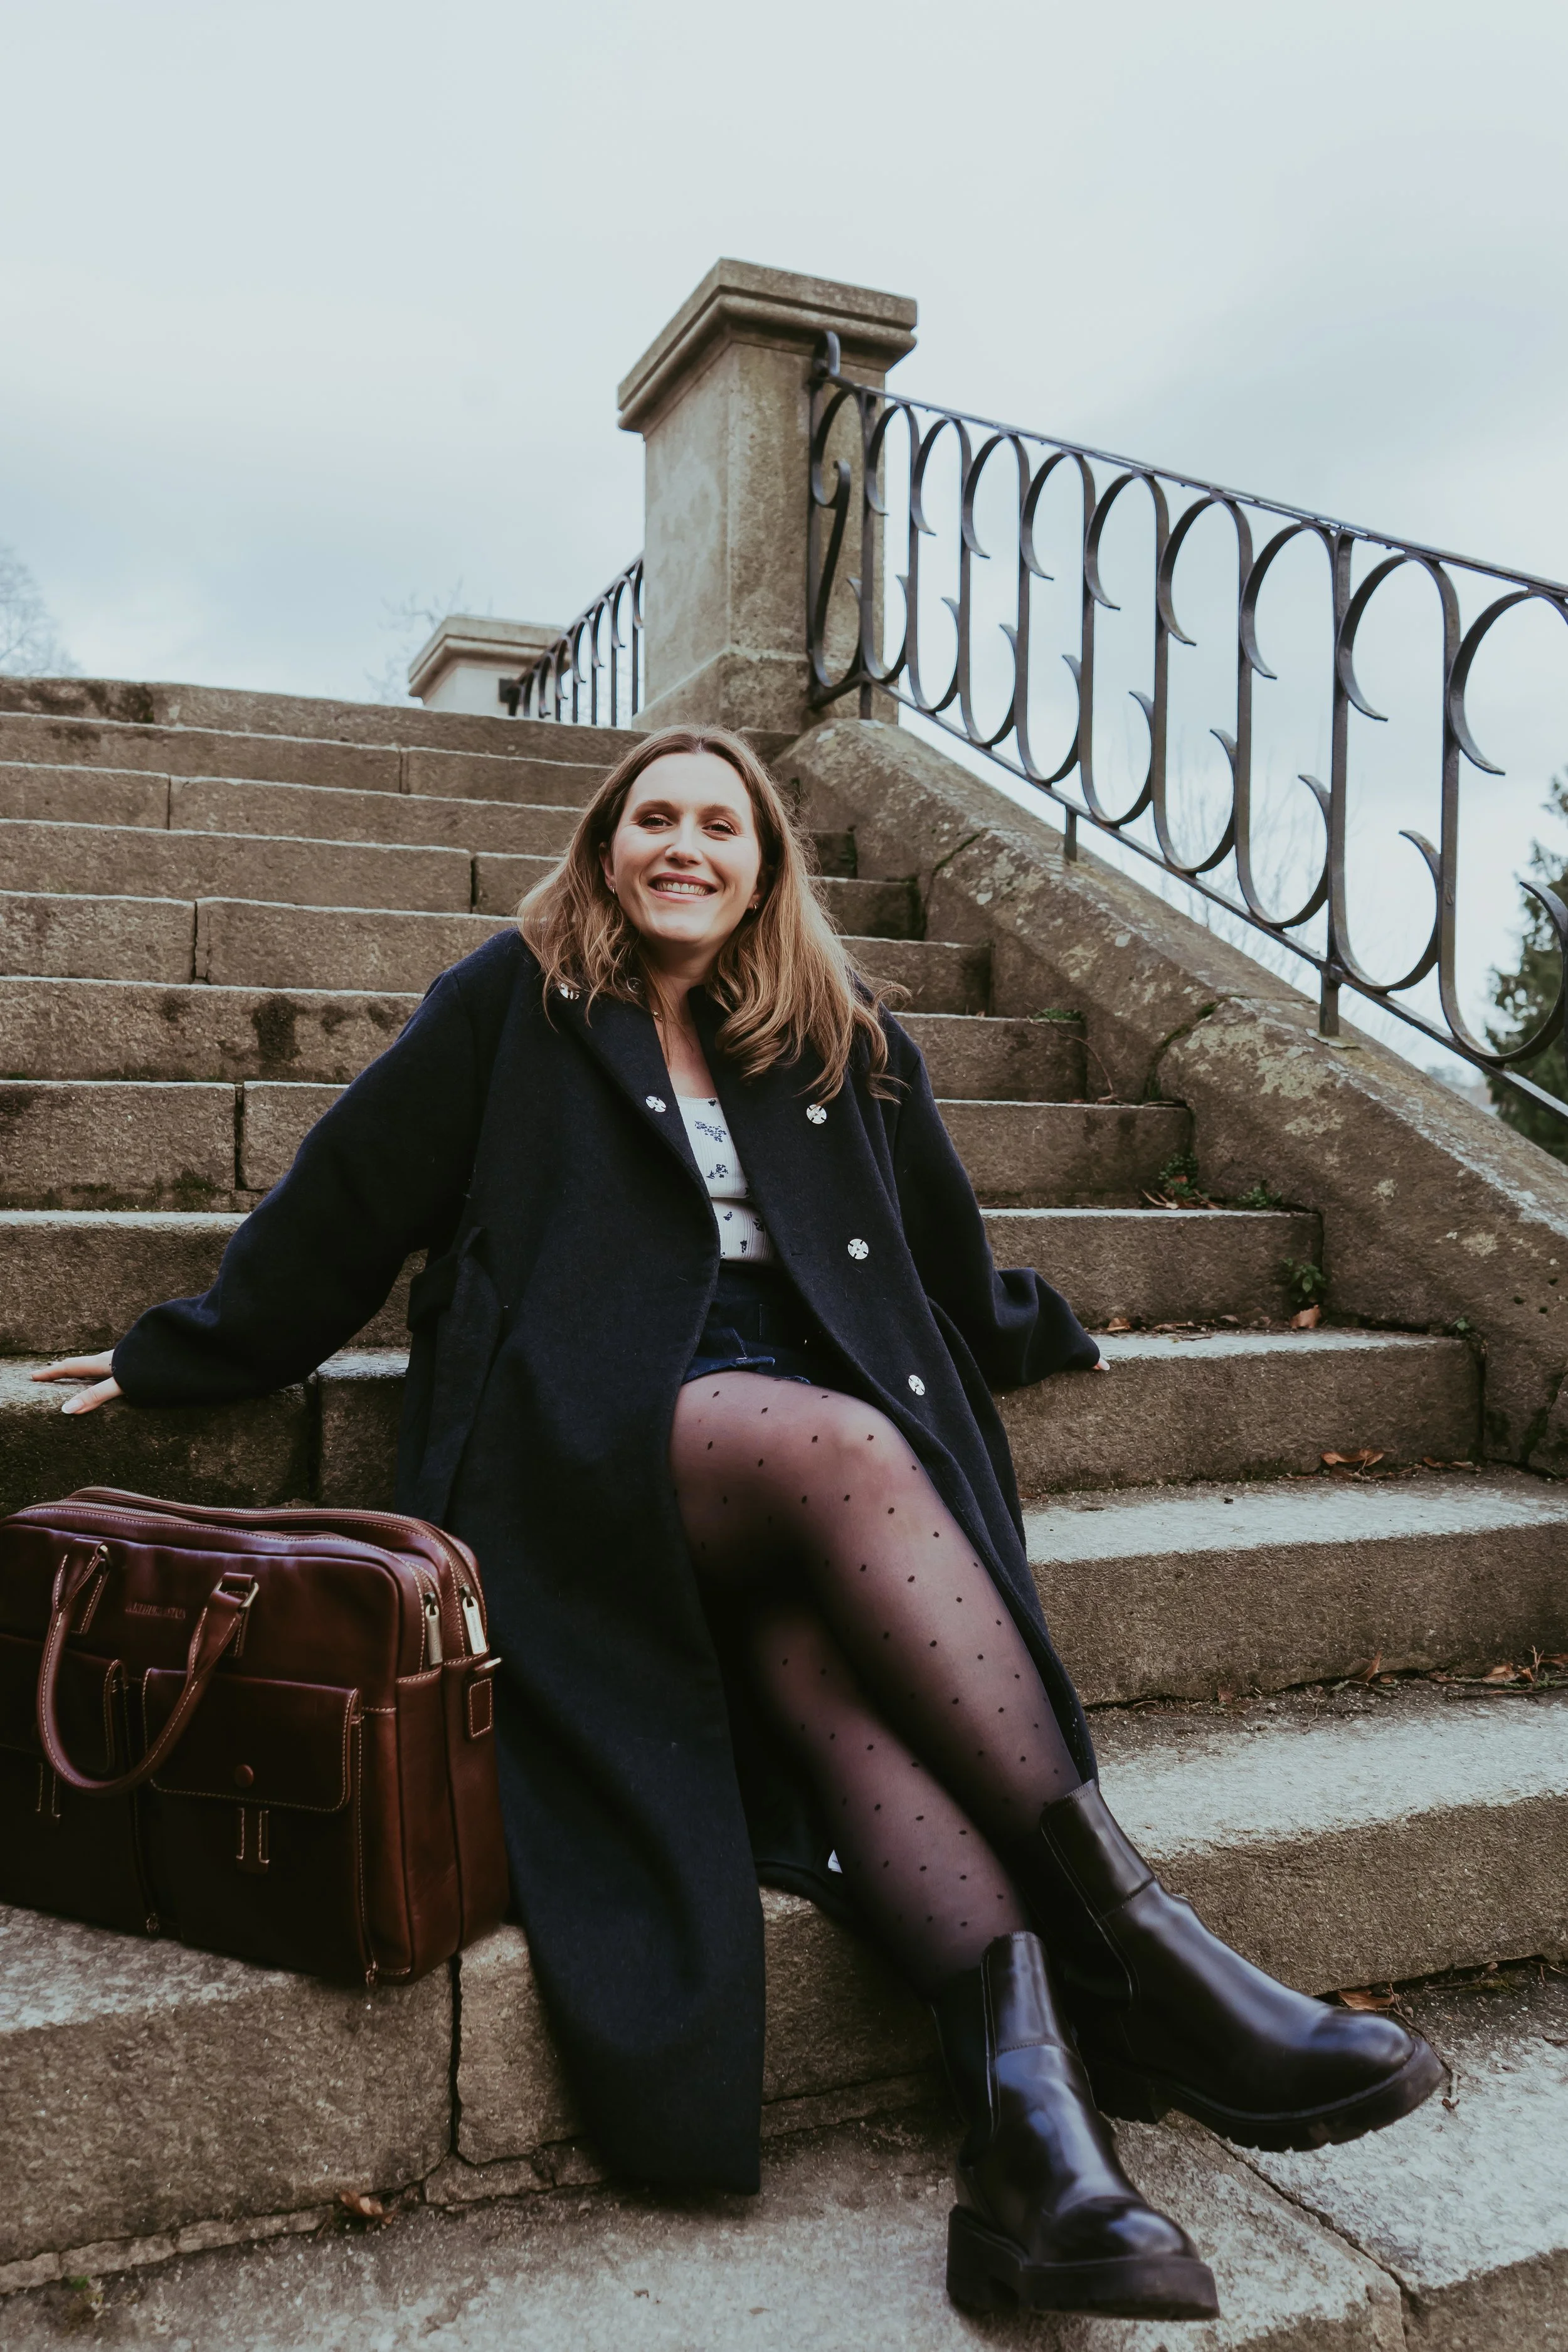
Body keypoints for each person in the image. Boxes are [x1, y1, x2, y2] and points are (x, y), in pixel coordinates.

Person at [36, 725, 1443, 2321]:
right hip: (587, 1435)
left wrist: (1018, 1325)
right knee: (842, 1455)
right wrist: (182, 1353)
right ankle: (1145, 1946)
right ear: (606, 847)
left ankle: (1033, 2143)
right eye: (654, 821)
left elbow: (932, 1242)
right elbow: (343, 1203)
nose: (684, 846)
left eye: (721, 823)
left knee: (823, 1667)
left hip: (797, 1413)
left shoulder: (832, 1028)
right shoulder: (512, 1001)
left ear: (766, 861)